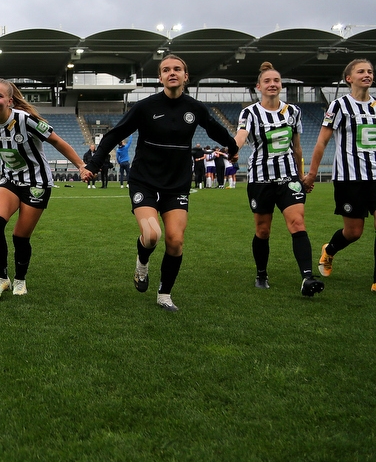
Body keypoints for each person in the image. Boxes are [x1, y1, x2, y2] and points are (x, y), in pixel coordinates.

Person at [82, 55, 237, 312]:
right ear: (160, 77)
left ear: (186, 76)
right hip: (144, 181)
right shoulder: (145, 107)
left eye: (177, 69)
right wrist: (94, 164)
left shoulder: (195, 108)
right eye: (166, 70)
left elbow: (215, 130)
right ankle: (142, 263)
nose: (172, 73)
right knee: (152, 235)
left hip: (176, 184)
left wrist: (232, 147)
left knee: (175, 241)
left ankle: (164, 294)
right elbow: (114, 134)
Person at [0, 79, 91, 300]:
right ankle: (2, 279)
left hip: (36, 183)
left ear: (9, 101)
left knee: (20, 237)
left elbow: (57, 141)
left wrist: (81, 165)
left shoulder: (25, 120)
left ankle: (20, 279)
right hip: (10, 179)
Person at [234, 62, 324, 296]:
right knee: (263, 230)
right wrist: (232, 147)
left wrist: (302, 174)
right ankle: (261, 273)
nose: (272, 84)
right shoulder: (250, 112)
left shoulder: (293, 112)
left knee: (297, 223)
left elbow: (297, 148)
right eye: (267, 81)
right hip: (260, 179)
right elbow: (242, 135)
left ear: (281, 85)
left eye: (276, 81)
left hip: (289, 178)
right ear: (259, 86)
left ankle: (307, 278)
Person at [304, 58, 376, 291]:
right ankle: (330, 249)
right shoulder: (339, 106)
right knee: (354, 232)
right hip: (349, 178)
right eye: (361, 71)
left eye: (370, 71)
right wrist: (312, 174)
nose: (367, 74)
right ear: (349, 78)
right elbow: (322, 141)